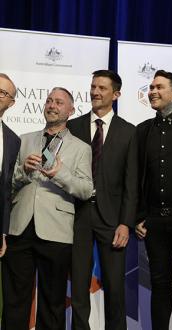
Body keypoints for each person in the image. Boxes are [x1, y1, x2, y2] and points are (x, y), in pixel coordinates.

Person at [1, 87, 93, 330]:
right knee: (14, 299)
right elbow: (8, 183)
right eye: (49, 101)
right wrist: (24, 171)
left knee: (52, 303)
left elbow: (86, 190)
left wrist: (59, 174)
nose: (52, 105)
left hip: (56, 231)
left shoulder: (81, 148)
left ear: (71, 110)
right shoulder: (24, 139)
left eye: (59, 102)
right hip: (20, 227)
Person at [67, 70, 138, 330]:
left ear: (116, 94)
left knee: (115, 290)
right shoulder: (72, 126)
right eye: (93, 86)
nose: (95, 92)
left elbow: (132, 183)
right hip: (77, 217)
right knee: (78, 289)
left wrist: (125, 224)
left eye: (102, 88)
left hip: (112, 221)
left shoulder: (129, 132)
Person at [135, 70, 172, 330]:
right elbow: (136, 178)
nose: (152, 91)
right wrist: (138, 216)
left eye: (159, 87)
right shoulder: (142, 131)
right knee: (159, 284)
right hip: (154, 222)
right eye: (151, 87)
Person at [0, 73, 21, 257]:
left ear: (11, 103)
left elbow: (6, 190)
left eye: (2, 92)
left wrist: (3, 232)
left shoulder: (13, 141)